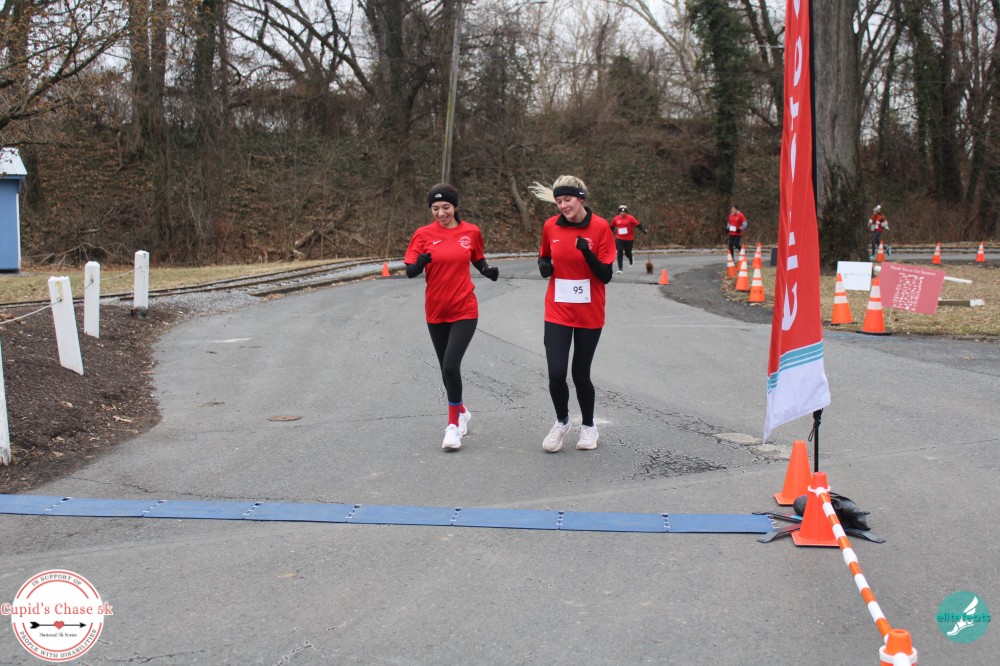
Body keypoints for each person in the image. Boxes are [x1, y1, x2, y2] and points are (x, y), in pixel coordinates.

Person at [404, 183, 499, 451]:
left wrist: (486, 270)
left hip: (464, 309)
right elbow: (410, 270)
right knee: (446, 370)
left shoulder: (471, 232)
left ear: (455, 206)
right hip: (436, 310)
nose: (441, 213)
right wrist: (419, 264)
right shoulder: (423, 234)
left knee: (450, 365)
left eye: (445, 207)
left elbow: (477, 257)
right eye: (435, 208)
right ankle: (462, 411)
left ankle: (453, 426)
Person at [528, 176, 616, 453]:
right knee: (556, 373)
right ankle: (562, 421)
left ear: (581, 199)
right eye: (558, 201)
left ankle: (589, 426)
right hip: (558, 309)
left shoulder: (600, 227)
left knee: (580, 373)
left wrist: (587, 254)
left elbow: (606, 275)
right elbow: (544, 255)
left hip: (589, 311)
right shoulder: (550, 226)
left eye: (567, 200)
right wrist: (544, 266)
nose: (563, 205)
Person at [610, 205, 647, 273]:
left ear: (626, 212)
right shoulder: (616, 219)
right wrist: (608, 233)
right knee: (619, 252)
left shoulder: (630, 218)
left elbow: (638, 225)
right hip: (619, 238)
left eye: (624, 212)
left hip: (629, 239)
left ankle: (630, 258)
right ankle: (620, 269)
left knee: (627, 252)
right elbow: (611, 227)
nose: (622, 214)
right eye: (621, 212)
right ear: (619, 212)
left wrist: (643, 230)